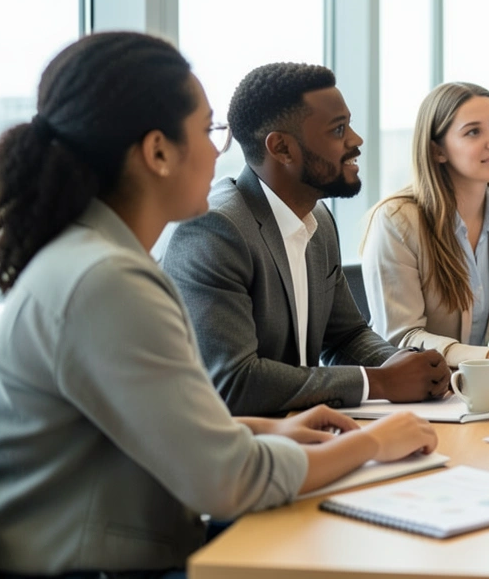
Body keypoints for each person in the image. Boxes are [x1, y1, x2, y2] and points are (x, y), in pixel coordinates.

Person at [0, 32, 440, 577]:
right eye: (207, 131)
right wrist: (370, 443)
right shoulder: (108, 281)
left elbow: (151, 427)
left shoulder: (92, 257)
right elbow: (229, 481)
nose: (220, 151)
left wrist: (265, 430)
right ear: (157, 152)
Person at [162, 62, 451, 416]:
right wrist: (379, 381)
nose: (356, 140)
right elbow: (234, 383)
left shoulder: (318, 220)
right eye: (338, 129)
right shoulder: (216, 231)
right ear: (282, 148)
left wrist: (410, 368)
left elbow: (346, 336)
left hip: (305, 430)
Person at [361, 82, 489, 380]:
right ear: (437, 151)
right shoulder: (396, 221)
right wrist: (483, 356)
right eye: (473, 132)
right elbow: (400, 338)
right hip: (412, 390)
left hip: (479, 387)